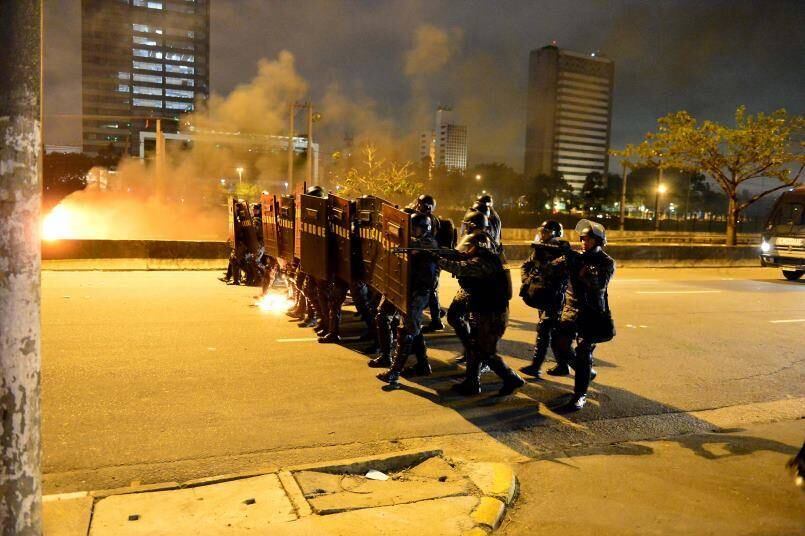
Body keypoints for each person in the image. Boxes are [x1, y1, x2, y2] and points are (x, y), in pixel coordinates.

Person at [436, 228, 524, 397]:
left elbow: (459, 268)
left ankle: (511, 378)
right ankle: (472, 383)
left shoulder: (484, 262)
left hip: (492, 314)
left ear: (480, 247)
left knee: (485, 351)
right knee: (475, 347)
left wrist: (436, 259)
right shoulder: (484, 258)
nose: (466, 250)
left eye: (469, 247)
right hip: (483, 310)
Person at [548, 219, 615, 410]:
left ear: (598, 241)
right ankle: (584, 371)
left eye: (589, 239)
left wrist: (572, 258)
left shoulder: (606, 261)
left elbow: (597, 283)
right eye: (583, 239)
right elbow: (552, 269)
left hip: (592, 312)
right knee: (559, 343)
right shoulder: (576, 256)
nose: (584, 242)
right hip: (570, 310)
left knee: (584, 352)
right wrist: (553, 254)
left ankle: (580, 396)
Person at [377, 212, 439, 386]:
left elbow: (410, 245)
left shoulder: (429, 242)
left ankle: (394, 372)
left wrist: (393, 233)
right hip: (405, 287)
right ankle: (422, 364)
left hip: (420, 291)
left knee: (407, 331)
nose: (413, 231)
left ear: (425, 229)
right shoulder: (414, 240)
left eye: (416, 228)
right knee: (401, 323)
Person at [519, 220, 570, 378]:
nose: (543, 234)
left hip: (555, 296)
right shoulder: (540, 248)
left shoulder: (561, 249)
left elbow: (559, 272)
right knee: (553, 333)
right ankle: (563, 366)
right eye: (542, 231)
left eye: (546, 232)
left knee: (545, 330)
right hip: (542, 294)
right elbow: (526, 265)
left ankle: (537, 366)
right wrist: (527, 280)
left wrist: (544, 268)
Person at [447, 210, 491, 364]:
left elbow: (468, 261)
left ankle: (480, 360)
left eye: (467, 225)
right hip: (468, 287)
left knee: (477, 327)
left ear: (473, 225)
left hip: (479, 290)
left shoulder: (481, 239)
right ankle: (470, 351)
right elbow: (460, 254)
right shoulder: (474, 237)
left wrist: (440, 259)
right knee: (454, 317)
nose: (465, 227)